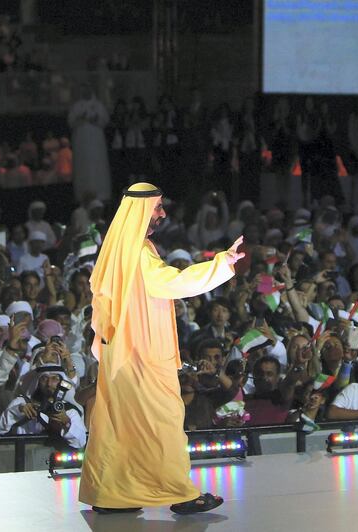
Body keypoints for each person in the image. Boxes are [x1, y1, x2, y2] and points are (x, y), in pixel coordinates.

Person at [78, 182, 245, 515]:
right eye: (157, 208)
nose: (163, 214)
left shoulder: (121, 248)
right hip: (141, 357)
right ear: (141, 211)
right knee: (163, 423)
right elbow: (169, 282)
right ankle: (181, 493)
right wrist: (221, 264)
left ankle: (111, 495)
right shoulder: (138, 252)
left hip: (122, 356)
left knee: (118, 426)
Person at [68, 85, 112, 203]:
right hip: (81, 142)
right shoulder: (77, 106)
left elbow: (105, 120)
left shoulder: (98, 106)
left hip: (96, 141)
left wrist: (94, 118)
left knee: (98, 166)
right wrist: (80, 118)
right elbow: (71, 121)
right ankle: (83, 194)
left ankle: (101, 194)